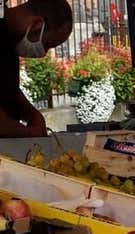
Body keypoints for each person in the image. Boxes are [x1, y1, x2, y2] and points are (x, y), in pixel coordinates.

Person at [1, 0, 72, 137]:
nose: (44, 53)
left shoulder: (8, 40)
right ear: (37, 25)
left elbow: (6, 88)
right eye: (47, 44)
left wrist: (32, 114)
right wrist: (30, 133)